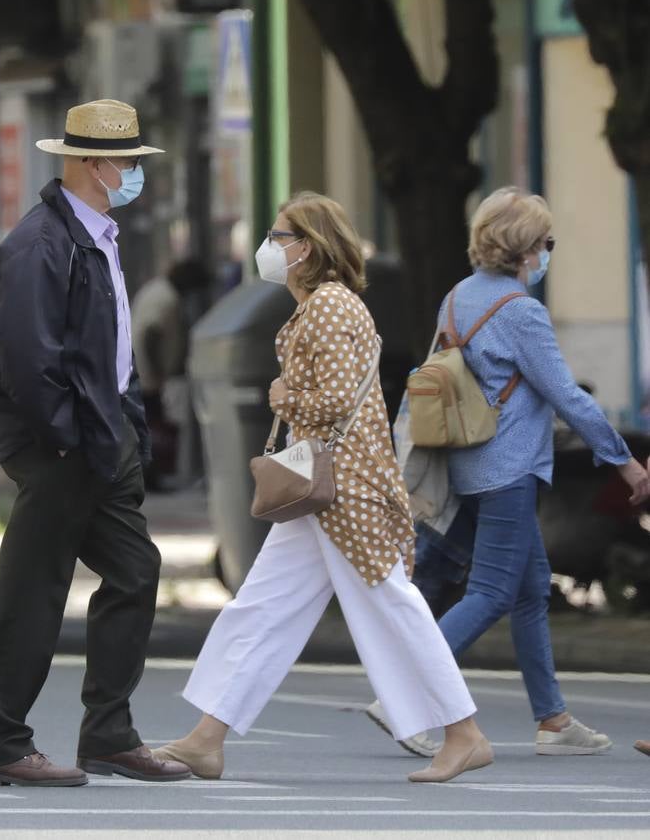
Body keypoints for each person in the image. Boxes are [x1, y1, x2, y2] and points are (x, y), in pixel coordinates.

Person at [154, 192, 492, 784]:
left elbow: (334, 401)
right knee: (263, 608)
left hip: (345, 490)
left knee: (391, 604)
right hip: (322, 492)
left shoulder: (331, 307)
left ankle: (464, 732)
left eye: (277, 236)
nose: (268, 247)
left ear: (305, 248)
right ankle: (207, 738)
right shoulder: (321, 306)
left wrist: (285, 397)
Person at [365, 188, 650, 758]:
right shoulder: (521, 311)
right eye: (546, 244)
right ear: (525, 250)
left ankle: (553, 721)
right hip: (508, 468)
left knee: (527, 594)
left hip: (463, 462)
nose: (548, 254)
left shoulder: (456, 299)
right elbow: (566, 394)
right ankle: (404, 695)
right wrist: (622, 460)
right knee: (494, 591)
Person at [0, 99, 189, 787]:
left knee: (135, 571)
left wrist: (118, 428)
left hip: (100, 439)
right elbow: (28, 363)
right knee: (34, 592)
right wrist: (68, 439)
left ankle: (108, 734)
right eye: (126, 162)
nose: (132, 173)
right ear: (92, 164)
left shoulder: (94, 235)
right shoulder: (42, 244)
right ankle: (2, 745)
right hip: (66, 446)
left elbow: (106, 349)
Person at [130, 258, 208, 489]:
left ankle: (152, 476)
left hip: (142, 374)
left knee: (150, 428)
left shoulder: (156, 290)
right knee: (154, 430)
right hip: (147, 377)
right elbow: (149, 334)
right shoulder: (167, 298)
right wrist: (156, 373)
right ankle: (150, 477)